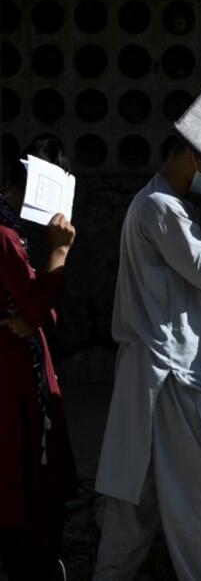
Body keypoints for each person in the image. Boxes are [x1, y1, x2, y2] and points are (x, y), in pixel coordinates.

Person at [93, 137, 201, 581]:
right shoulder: (160, 207)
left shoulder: (158, 203)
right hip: (170, 376)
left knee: (134, 500)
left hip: (154, 372)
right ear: (194, 156)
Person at [0, 138, 76, 581]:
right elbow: (38, 308)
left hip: (20, 370)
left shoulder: (13, 231)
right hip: (13, 379)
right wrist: (60, 254)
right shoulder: (6, 234)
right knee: (23, 480)